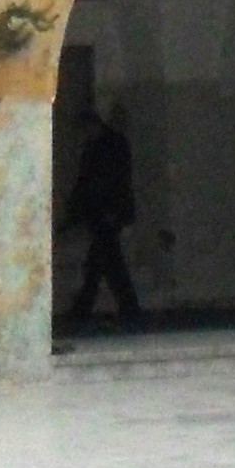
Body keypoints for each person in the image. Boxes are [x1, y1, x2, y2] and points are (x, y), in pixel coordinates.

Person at [63, 104, 142, 326]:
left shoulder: (99, 148)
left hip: (103, 212)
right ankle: (125, 308)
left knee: (102, 261)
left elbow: (96, 182)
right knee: (106, 261)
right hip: (107, 212)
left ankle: (87, 308)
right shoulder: (112, 144)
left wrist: (76, 212)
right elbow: (118, 180)